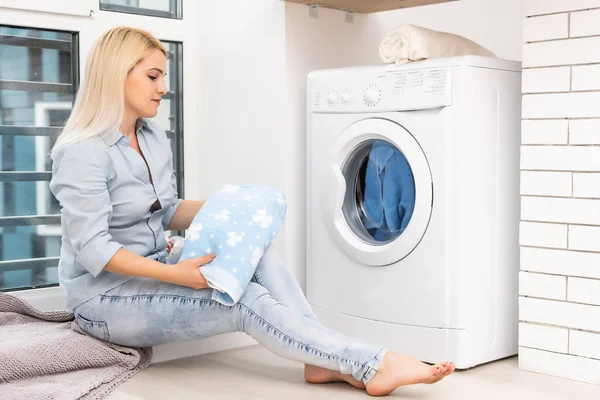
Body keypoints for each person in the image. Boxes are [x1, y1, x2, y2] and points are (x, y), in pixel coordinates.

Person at [49, 26, 455, 397]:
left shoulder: (151, 136)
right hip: (104, 301)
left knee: (257, 250)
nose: (163, 88)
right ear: (116, 75)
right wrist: (177, 275)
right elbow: (93, 250)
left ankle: (320, 362)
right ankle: (372, 362)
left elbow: (166, 210)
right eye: (153, 77)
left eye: (163, 77)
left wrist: (237, 211)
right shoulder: (82, 152)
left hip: (158, 260)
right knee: (242, 300)